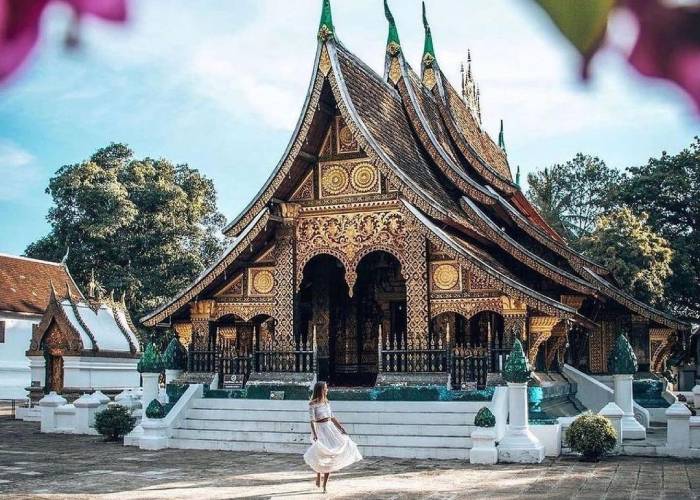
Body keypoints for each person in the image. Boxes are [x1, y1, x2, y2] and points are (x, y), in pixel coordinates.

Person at [303, 381, 362, 493]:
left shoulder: (327, 402)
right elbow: (312, 421)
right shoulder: (312, 404)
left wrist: (341, 428)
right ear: (320, 390)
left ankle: (325, 485)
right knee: (320, 454)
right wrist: (315, 434)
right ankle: (318, 474)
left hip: (330, 428)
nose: (327, 389)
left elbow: (332, 417)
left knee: (332, 455)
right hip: (320, 429)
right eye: (325, 388)